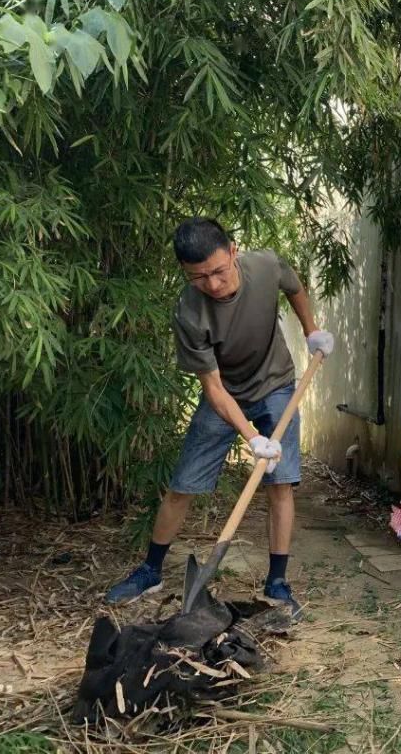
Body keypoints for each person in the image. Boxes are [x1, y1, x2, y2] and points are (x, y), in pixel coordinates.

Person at [105, 218, 334, 619]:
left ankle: (277, 582)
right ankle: (151, 570)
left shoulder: (263, 266)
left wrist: (312, 329)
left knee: (280, 484)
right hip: (225, 394)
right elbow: (212, 388)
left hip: (277, 384)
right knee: (183, 485)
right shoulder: (189, 311)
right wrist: (251, 437)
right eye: (198, 277)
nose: (212, 284)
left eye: (218, 271)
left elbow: (293, 284)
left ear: (233, 251)